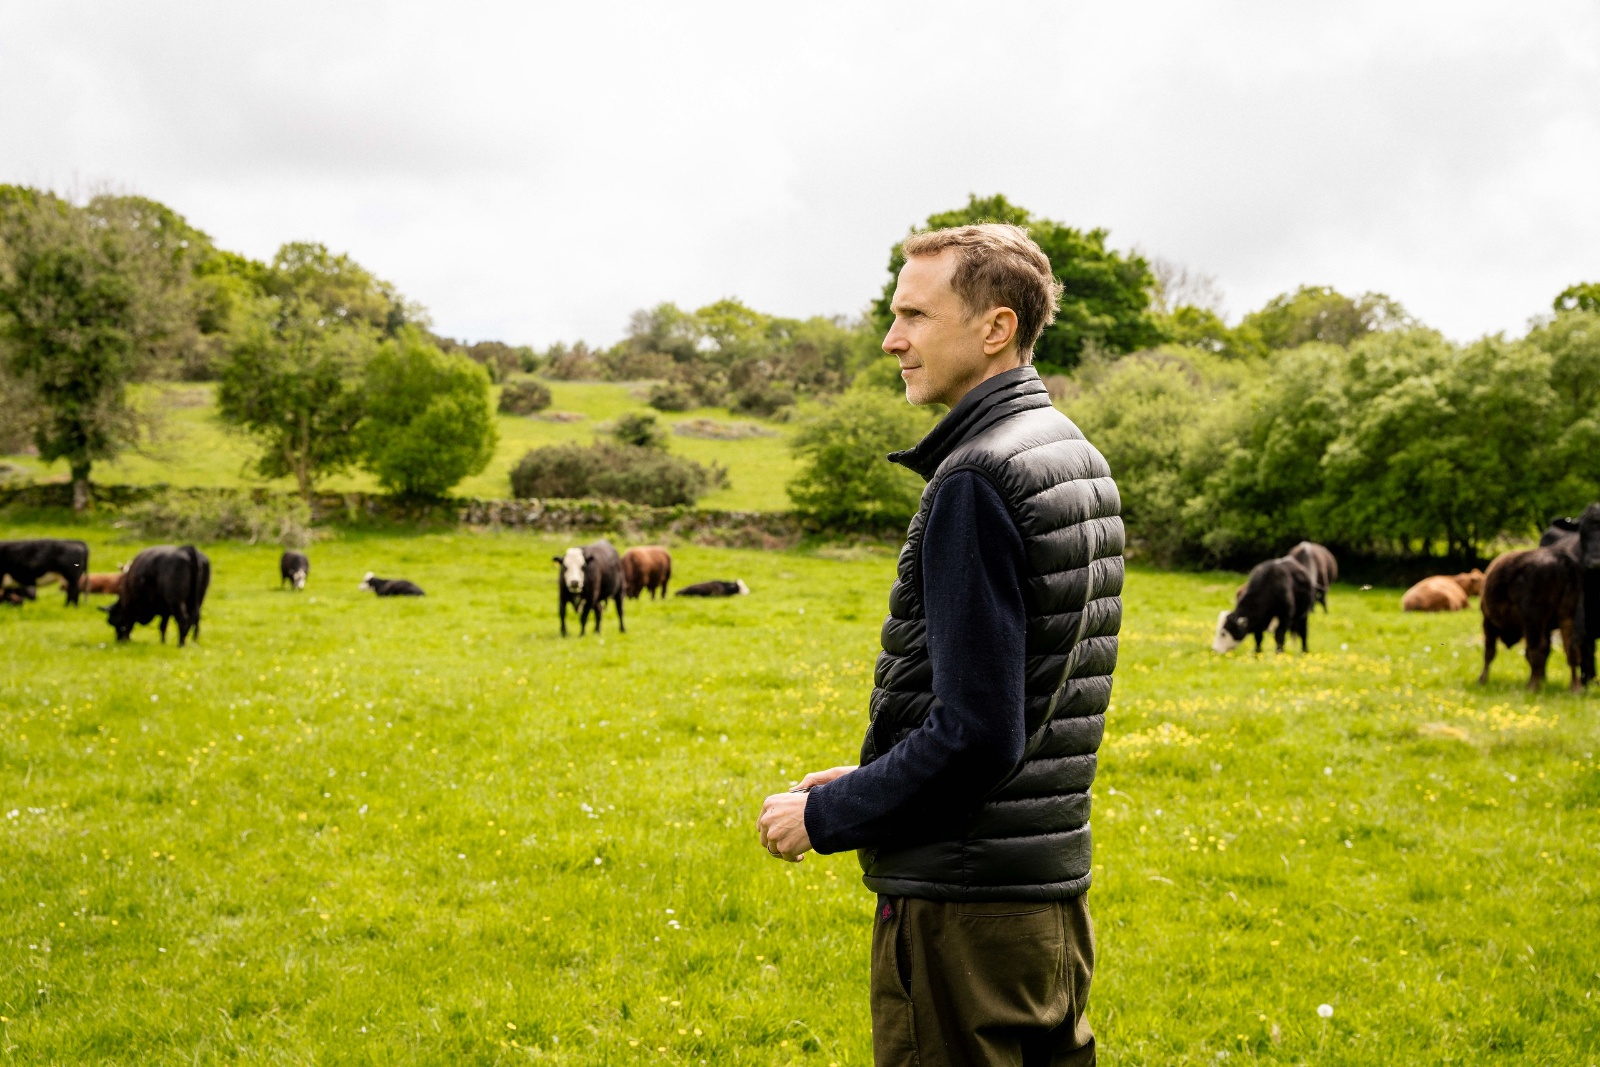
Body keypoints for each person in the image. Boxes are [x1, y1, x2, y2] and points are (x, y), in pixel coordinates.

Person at [757, 224, 1123, 1066]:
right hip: (1044, 902)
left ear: (994, 327)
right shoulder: (1072, 454)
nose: (892, 339)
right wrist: (873, 776)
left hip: (963, 909)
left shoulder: (977, 478)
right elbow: (1023, 697)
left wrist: (826, 814)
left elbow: (978, 734)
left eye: (915, 316)